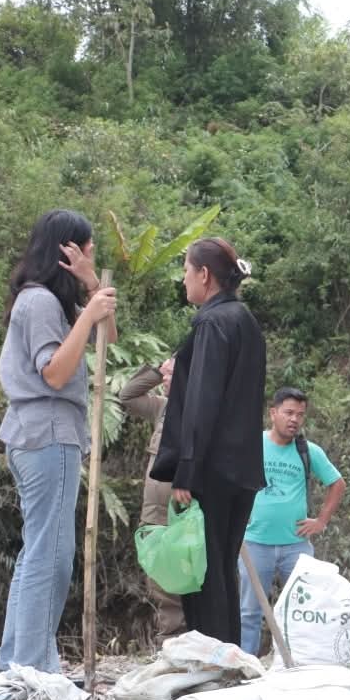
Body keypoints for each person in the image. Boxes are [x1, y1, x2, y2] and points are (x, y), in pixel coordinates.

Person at [0, 209, 117, 674]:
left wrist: (90, 289)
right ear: (67, 250)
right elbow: (54, 371)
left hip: (40, 433)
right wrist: (87, 312)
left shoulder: (50, 303)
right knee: (51, 553)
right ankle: (34, 663)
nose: (92, 255)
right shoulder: (41, 302)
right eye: (87, 248)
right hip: (46, 431)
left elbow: (109, 338)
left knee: (40, 548)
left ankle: (17, 659)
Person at [151, 238, 266, 646]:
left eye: (186, 269)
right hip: (242, 469)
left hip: (211, 469)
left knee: (201, 573)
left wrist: (187, 470)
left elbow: (201, 402)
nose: (183, 278)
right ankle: (227, 660)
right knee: (221, 570)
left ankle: (211, 663)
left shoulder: (212, 323)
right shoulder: (245, 321)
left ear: (204, 275)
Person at [237, 387, 347, 656]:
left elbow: (337, 484)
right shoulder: (251, 444)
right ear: (273, 413)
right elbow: (229, 478)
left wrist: (321, 521)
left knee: (304, 610)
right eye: (288, 413)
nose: (294, 419)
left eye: (300, 414)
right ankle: (245, 666)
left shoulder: (307, 451)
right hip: (254, 542)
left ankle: (299, 662)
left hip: (296, 546)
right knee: (250, 611)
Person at [121, 358, 187, 639]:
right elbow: (127, 395)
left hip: (184, 511)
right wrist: (158, 373)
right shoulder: (161, 408)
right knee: (159, 576)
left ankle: (186, 636)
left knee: (185, 573)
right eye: (167, 375)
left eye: (174, 374)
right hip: (154, 513)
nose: (167, 380)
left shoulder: (197, 409)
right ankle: (168, 639)